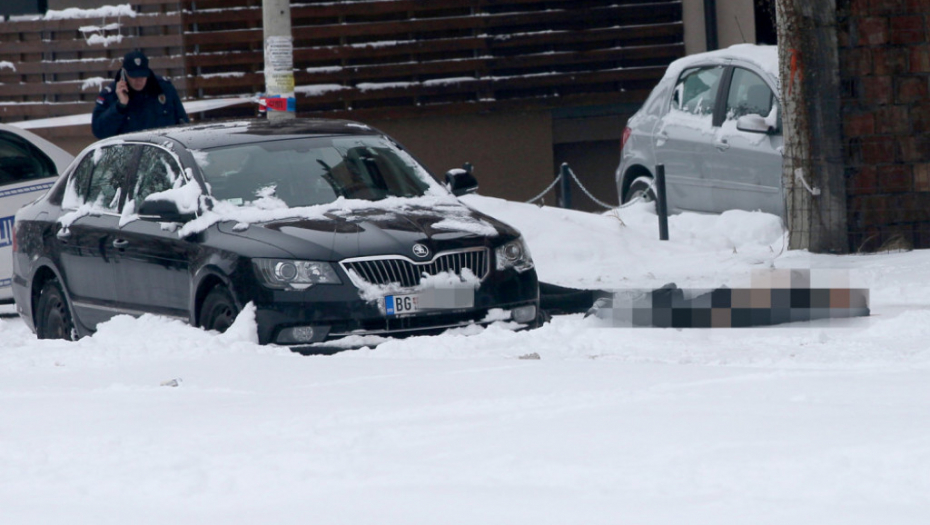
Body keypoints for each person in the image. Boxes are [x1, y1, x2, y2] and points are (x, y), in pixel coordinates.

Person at [91, 50, 189, 139]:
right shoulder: (110, 95)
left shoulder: (164, 89)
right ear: (124, 73)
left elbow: (183, 124)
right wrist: (119, 107)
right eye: (134, 76)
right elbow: (99, 131)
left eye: (142, 75)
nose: (139, 80)